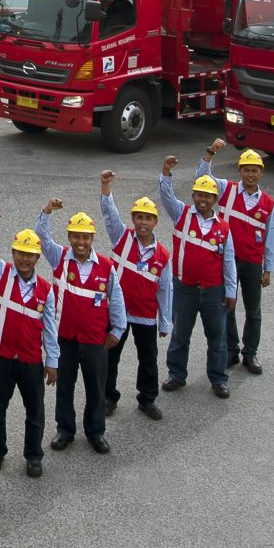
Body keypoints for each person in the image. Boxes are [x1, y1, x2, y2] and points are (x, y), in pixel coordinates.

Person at [0, 199, 63, 479]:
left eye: (31, 255)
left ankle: (33, 455)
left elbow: (50, 328)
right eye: (20, 253)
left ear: (38, 258)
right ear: (12, 253)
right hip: (1, 357)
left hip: (30, 361)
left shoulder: (46, 290)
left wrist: (52, 361)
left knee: (34, 411)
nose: (25, 259)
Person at [157, 141, 238, 397]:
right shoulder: (181, 214)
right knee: (181, 335)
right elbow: (166, 197)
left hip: (214, 291)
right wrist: (166, 173)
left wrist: (231, 291)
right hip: (185, 289)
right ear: (193, 196)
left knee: (217, 337)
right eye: (199, 195)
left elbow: (228, 261)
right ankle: (176, 374)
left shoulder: (223, 228)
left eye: (208, 196)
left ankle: (218, 378)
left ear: (215, 199)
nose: (203, 200)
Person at [45, 211, 126, 455]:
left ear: (93, 239)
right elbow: (42, 235)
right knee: (65, 385)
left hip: (95, 340)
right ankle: (65, 429)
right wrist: (47, 212)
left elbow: (117, 297)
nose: (81, 242)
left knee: (96, 387)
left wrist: (118, 329)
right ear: (69, 237)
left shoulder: (106, 266)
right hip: (66, 339)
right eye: (76, 237)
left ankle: (96, 431)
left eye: (86, 238)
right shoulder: (60, 258)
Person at [97, 170, 174, 421]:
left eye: (148, 218)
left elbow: (165, 288)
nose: (143, 222)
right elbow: (109, 216)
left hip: (145, 315)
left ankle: (147, 398)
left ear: (155, 222)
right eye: (139, 217)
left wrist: (165, 320)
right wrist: (106, 189)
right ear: (132, 219)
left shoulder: (162, 255)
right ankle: (108, 397)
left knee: (148, 358)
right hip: (117, 314)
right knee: (111, 357)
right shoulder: (122, 237)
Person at [226, 148, 274, 375]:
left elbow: (271, 236)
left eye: (254, 171)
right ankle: (230, 350)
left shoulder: (268, 203)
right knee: (228, 306)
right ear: (239, 171)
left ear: (261, 173)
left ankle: (250, 353)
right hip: (227, 261)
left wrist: (268, 268)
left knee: (253, 310)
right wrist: (210, 154)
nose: (250, 175)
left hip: (252, 262)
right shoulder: (226, 192)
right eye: (246, 170)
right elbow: (202, 176)